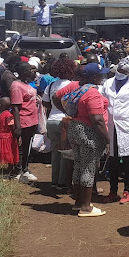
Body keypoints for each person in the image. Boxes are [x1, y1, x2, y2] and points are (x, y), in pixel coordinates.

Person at [54, 63, 110, 217]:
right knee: (88, 168)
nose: (102, 77)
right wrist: (107, 138)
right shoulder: (93, 94)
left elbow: (58, 99)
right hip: (88, 132)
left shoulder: (79, 89)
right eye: (100, 75)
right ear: (93, 77)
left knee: (79, 165)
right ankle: (86, 207)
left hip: (75, 129)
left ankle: (78, 202)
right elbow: (97, 119)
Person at [100, 57, 129, 204]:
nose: (122, 72)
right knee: (112, 160)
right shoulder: (108, 83)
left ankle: (128, 190)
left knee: (128, 160)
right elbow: (102, 103)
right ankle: (113, 191)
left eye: (125, 71)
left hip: (128, 127)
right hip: (111, 127)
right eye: (120, 69)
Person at [42, 58, 74, 190]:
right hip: (65, 121)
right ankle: (63, 182)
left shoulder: (51, 85)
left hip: (51, 121)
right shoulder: (72, 85)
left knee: (55, 151)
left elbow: (45, 102)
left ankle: (54, 181)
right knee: (65, 152)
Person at [10, 62, 40, 183]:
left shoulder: (26, 83)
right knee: (21, 147)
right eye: (30, 70)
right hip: (23, 120)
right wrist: (18, 126)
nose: (32, 72)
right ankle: (18, 171)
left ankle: (25, 169)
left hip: (32, 119)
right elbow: (16, 107)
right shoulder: (16, 86)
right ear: (23, 72)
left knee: (27, 146)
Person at [0, 97, 19, 174]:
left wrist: (16, 135)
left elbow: (12, 126)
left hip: (6, 138)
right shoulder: (1, 114)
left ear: (0, 105)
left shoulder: (8, 115)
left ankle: (9, 168)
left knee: (5, 152)